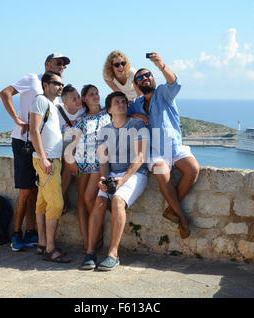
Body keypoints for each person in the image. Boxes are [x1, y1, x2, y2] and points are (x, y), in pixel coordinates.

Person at [0, 53, 71, 252]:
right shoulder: (33, 79)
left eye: (64, 64)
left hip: (40, 148)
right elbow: (4, 93)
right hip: (23, 141)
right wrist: (17, 120)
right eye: (58, 63)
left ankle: (32, 232)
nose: (62, 66)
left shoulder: (55, 90)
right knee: (25, 190)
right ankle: (16, 234)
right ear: (48, 63)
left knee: (36, 191)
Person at [128, 52, 200, 239]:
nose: (144, 79)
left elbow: (174, 82)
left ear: (152, 78)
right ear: (136, 85)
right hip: (154, 151)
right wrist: (135, 116)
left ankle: (170, 210)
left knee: (192, 169)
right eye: (140, 78)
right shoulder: (135, 104)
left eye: (147, 75)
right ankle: (182, 217)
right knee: (162, 173)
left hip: (174, 145)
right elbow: (118, 114)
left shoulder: (163, 93)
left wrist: (161, 65)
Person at [80, 91, 149, 271]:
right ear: (109, 109)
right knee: (100, 200)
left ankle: (113, 254)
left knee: (118, 201)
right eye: (117, 102)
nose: (122, 104)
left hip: (135, 174)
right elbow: (103, 161)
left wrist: (123, 179)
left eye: (123, 101)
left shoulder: (138, 125)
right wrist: (103, 178)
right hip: (113, 175)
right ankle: (90, 252)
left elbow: (140, 156)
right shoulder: (104, 131)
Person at [29, 71, 71, 263]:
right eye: (56, 83)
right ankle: (50, 249)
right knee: (56, 204)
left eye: (61, 83)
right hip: (47, 161)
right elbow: (34, 130)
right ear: (45, 84)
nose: (60, 86)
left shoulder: (54, 105)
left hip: (50, 159)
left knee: (43, 203)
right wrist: (45, 159)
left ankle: (42, 243)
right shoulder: (40, 100)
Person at [65, 85, 111, 253]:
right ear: (84, 98)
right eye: (91, 94)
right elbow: (73, 144)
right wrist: (71, 160)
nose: (96, 96)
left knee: (88, 197)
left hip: (99, 162)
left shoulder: (108, 113)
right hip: (82, 162)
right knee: (81, 202)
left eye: (97, 93)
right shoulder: (80, 120)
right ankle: (87, 240)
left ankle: (96, 234)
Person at [58, 85, 85, 214]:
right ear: (65, 102)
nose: (78, 100)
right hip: (61, 146)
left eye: (78, 96)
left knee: (70, 161)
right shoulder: (57, 110)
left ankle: (61, 198)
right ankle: (62, 198)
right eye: (74, 99)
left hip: (77, 146)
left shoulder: (84, 109)